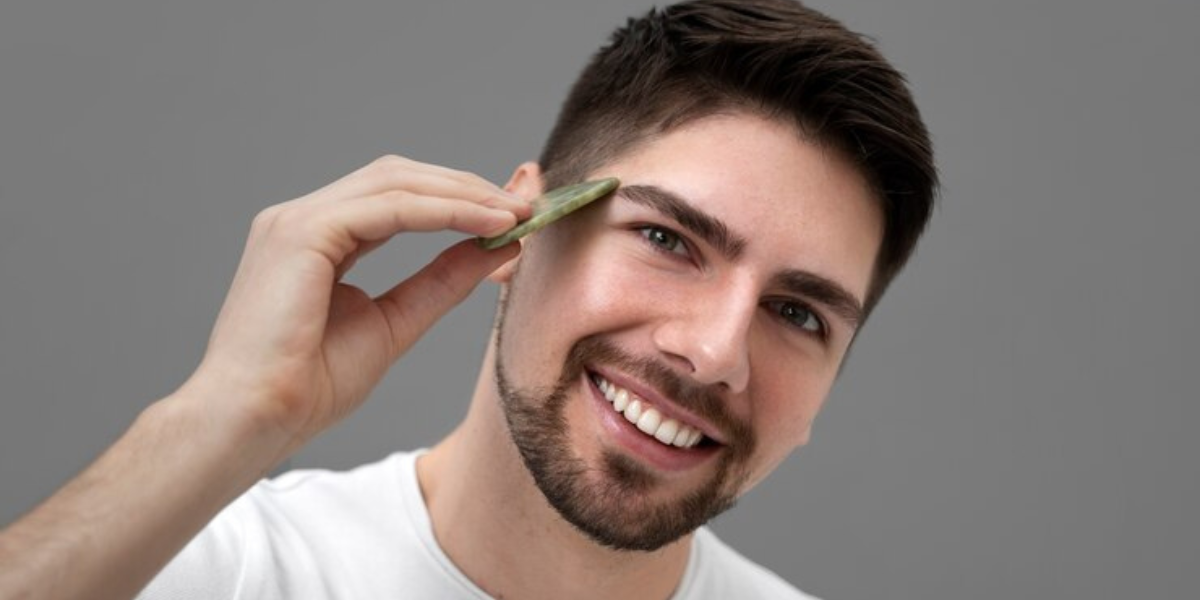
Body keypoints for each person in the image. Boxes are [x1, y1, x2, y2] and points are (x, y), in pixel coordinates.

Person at [0, 0, 936, 598]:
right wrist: (225, 415)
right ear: (518, 231)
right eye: (666, 240)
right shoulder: (221, 575)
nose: (716, 353)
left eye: (799, 314)